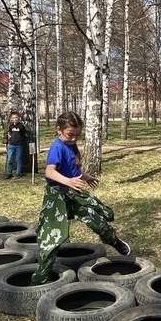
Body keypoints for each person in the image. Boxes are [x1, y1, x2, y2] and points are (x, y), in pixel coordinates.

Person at [32, 111, 131, 285]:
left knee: (97, 219)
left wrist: (85, 177)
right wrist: (67, 181)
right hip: (57, 197)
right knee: (52, 238)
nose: (74, 139)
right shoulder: (56, 147)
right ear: (59, 130)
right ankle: (40, 279)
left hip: (74, 194)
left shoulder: (71, 146)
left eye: (77, 135)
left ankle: (114, 241)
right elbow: (50, 171)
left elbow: (72, 170)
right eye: (70, 134)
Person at [3, 110, 31, 179]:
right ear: (11, 119)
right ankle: (9, 173)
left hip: (19, 145)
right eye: (13, 118)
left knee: (19, 159)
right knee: (10, 159)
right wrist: (8, 140)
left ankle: (19, 173)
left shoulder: (21, 126)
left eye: (16, 117)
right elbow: (9, 134)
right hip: (11, 145)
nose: (15, 119)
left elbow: (23, 135)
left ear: (18, 118)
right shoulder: (11, 126)